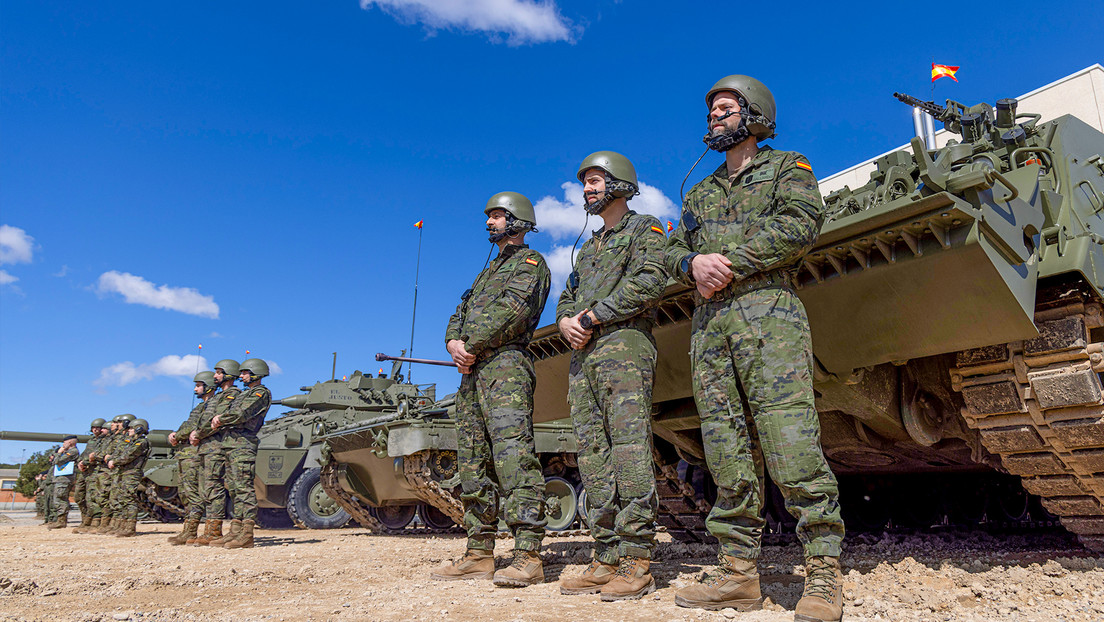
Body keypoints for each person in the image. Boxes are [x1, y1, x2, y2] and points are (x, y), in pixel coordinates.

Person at [664, 75, 845, 621]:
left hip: (768, 313)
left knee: (789, 439)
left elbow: (801, 223)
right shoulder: (698, 193)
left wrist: (728, 262)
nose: (715, 116)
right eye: (712, 110)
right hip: (710, 326)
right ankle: (738, 572)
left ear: (754, 115)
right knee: (724, 447)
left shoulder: (788, 167)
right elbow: (675, 249)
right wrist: (690, 263)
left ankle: (822, 572)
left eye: (725, 108)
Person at [556, 151, 665, 601]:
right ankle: (605, 555)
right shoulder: (588, 248)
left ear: (620, 184)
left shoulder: (645, 229)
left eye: (596, 180)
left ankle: (637, 559)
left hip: (624, 347)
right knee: (593, 454)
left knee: (628, 449)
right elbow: (567, 297)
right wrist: (566, 321)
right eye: (585, 183)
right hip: (584, 359)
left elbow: (650, 280)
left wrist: (594, 314)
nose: (587, 189)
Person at [431, 191, 551, 587]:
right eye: (489, 217)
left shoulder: (531, 264)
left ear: (517, 220)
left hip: (505, 368)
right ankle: (479, 552)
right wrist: (453, 343)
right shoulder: (484, 273)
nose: (489, 222)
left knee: (513, 458)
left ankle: (528, 553)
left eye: (498, 216)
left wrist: (470, 344)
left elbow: (513, 310)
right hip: (472, 371)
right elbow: (458, 313)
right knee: (473, 461)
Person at [211, 358, 272, 549]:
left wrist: (222, 419)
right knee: (234, 489)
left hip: (243, 444)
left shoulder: (260, 393)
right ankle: (235, 531)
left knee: (244, 488)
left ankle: (247, 534)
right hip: (231, 444)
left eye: (245, 373)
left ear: (255, 373)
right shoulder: (244, 394)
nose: (242, 376)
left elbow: (242, 414)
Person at [189, 359, 241, 545]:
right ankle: (210, 530)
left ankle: (214, 531)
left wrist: (198, 433)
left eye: (219, 372)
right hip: (207, 446)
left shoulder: (233, 395)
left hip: (216, 447)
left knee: (213, 488)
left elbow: (215, 422)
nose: (215, 376)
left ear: (228, 374)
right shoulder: (220, 396)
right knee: (207, 488)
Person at [167, 372, 217, 545]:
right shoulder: (198, 408)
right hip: (186, 454)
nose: (195, 389)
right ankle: (188, 531)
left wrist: (177, 435)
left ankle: (191, 531)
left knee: (193, 492)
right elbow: (189, 425)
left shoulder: (212, 404)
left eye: (199, 385)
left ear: (209, 386)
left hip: (194, 454)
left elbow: (195, 427)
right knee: (185, 493)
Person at [109, 418, 151, 537]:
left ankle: (130, 528)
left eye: (132, 428)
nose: (129, 430)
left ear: (139, 428)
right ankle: (123, 526)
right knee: (122, 498)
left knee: (129, 499)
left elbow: (128, 456)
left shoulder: (141, 442)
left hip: (132, 473)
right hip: (126, 472)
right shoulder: (132, 441)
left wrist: (114, 461)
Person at [98, 413, 135, 534]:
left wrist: (114, 459)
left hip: (127, 470)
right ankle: (117, 525)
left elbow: (125, 455)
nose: (115, 425)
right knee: (116, 498)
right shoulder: (121, 438)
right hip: (118, 470)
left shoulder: (131, 440)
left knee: (125, 499)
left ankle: (126, 527)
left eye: (118, 422)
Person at [72, 419, 106, 533]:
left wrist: (85, 462)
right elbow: (85, 453)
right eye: (93, 427)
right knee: (79, 496)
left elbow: (96, 455)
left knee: (92, 497)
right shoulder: (91, 440)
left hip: (94, 470)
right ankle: (85, 518)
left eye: (98, 427)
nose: (95, 429)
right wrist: (79, 462)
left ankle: (94, 521)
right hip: (85, 471)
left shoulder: (104, 440)